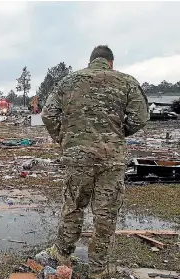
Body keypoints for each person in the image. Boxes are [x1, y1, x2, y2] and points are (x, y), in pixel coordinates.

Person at [37, 45, 149, 278]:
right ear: (111, 63)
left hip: (78, 158)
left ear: (91, 61)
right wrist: (117, 134)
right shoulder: (127, 82)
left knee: (74, 206)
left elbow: (47, 114)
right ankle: (98, 268)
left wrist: (64, 138)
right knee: (105, 215)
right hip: (111, 160)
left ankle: (63, 253)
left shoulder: (68, 81)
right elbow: (141, 116)